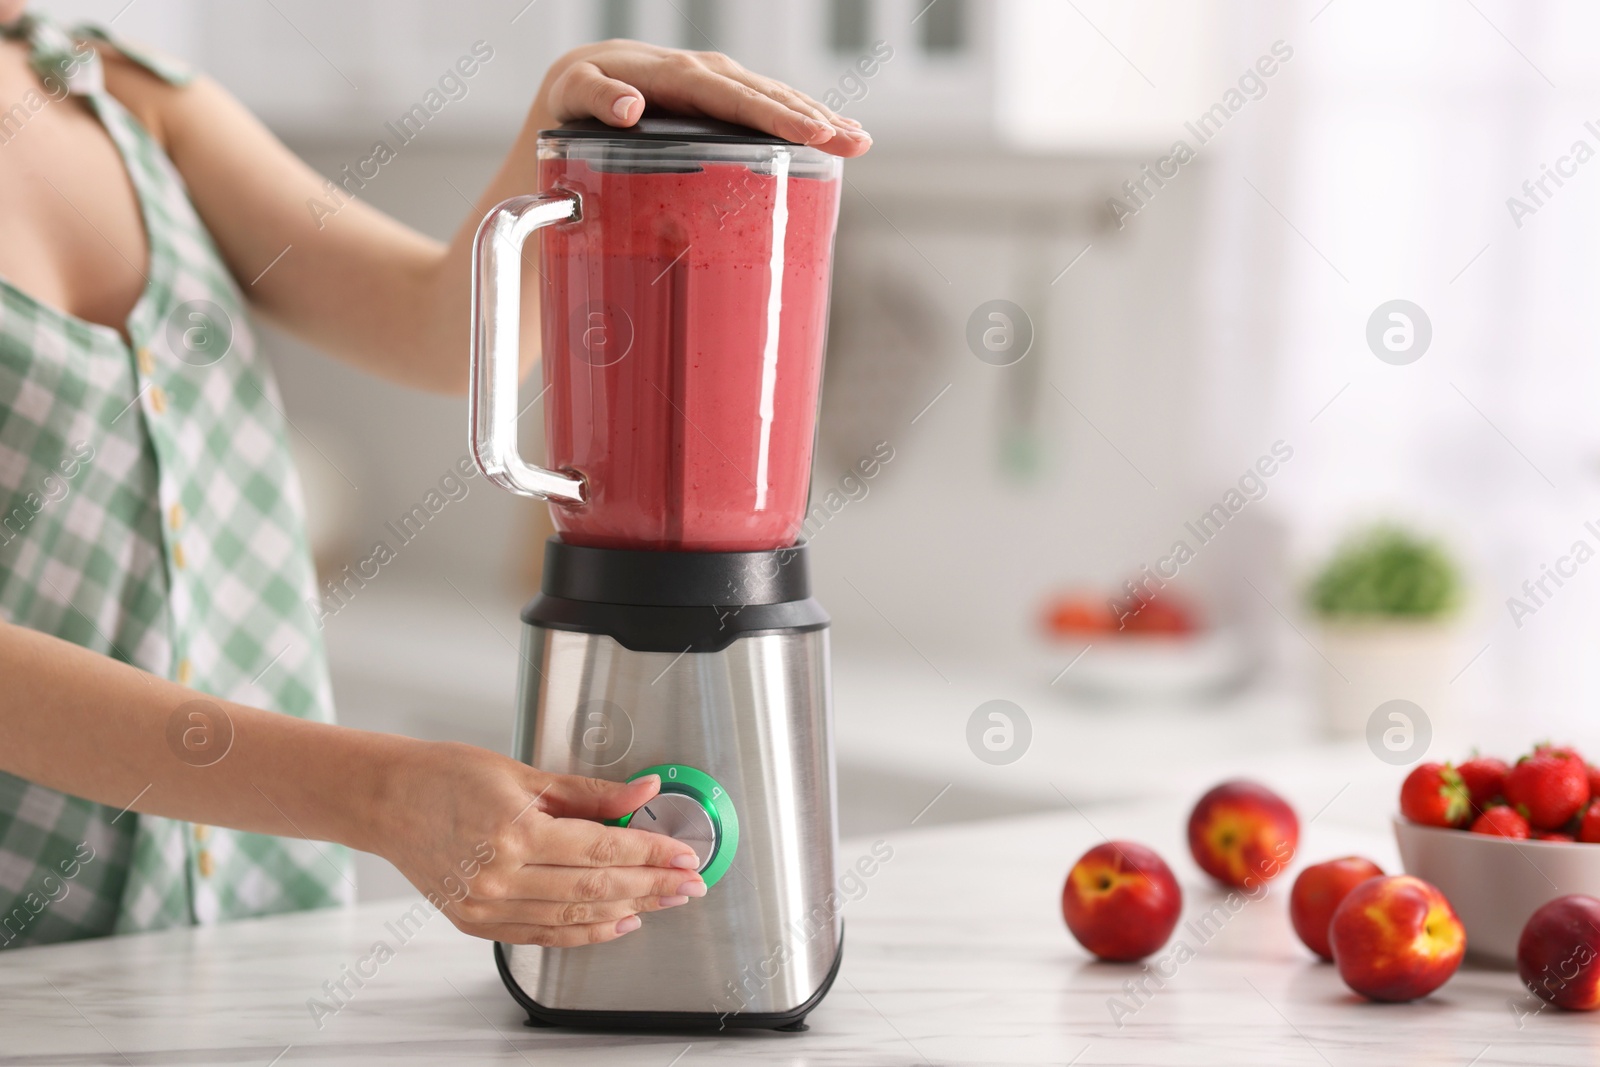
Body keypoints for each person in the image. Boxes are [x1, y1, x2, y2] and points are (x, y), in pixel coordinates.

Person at [0, 3, 870, 950]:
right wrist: (378, 794)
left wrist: (569, 123)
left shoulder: (122, 95)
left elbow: (436, 330)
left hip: (249, 918)